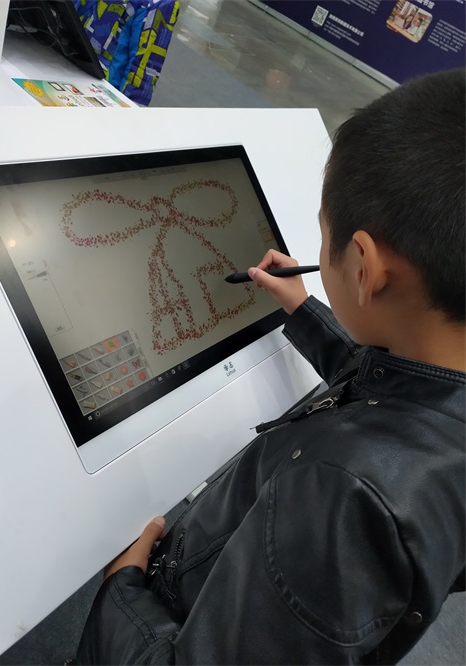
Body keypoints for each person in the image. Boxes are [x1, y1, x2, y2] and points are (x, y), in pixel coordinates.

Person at [76, 69, 465, 665]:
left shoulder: (338, 499)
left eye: (325, 239)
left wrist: (121, 592)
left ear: (365, 268)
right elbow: (389, 387)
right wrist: (306, 311)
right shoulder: (436, 398)